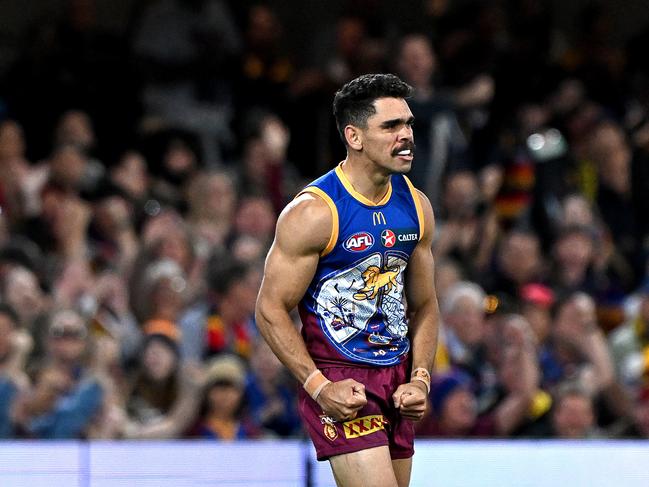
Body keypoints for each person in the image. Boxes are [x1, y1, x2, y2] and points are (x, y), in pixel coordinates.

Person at [255, 73, 439, 487]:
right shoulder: (313, 213)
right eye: (391, 126)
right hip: (341, 377)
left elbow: (425, 305)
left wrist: (421, 378)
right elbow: (269, 309)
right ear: (354, 137)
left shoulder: (417, 206)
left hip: (397, 378)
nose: (406, 136)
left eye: (408, 124)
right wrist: (319, 388)